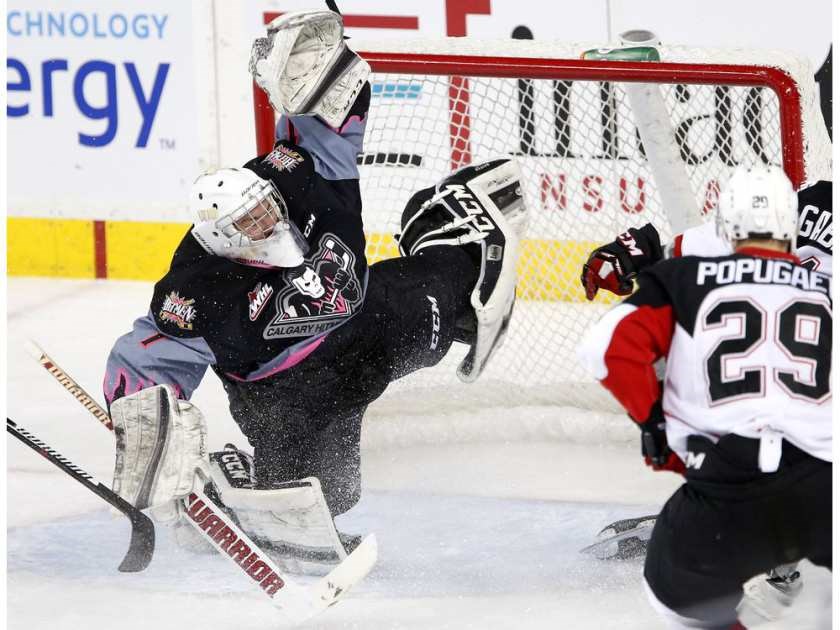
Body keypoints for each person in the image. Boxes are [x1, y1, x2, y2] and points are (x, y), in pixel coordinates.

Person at [103, 9, 527, 570]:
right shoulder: (196, 290)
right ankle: (240, 478)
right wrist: (144, 422)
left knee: (451, 301)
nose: (268, 222)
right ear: (224, 238)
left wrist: (311, 64)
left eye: (265, 208)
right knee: (326, 499)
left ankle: (438, 225)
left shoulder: (302, 174)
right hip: (289, 396)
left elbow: (331, 107)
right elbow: (142, 358)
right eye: (249, 224)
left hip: (366, 323)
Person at [577, 165, 832, 629]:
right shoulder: (813, 198)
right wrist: (633, 251)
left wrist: (654, 424)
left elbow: (703, 253)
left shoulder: (801, 205)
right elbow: (695, 245)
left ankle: (752, 534)